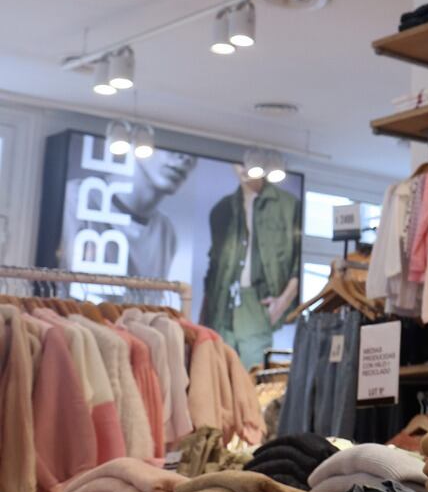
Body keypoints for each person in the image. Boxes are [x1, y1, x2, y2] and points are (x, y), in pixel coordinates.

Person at [199, 167, 301, 368]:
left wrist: (283, 302)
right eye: (239, 162)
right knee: (218, 375)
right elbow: (213, 269)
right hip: (221, 305)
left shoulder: (288, 206)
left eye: (250, 163)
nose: (243, 168)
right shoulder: (221, 209)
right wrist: (202, 321)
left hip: (256, 302)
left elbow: (297, 262)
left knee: (252, 376)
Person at [58, 150, 197, 281]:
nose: (186, 157)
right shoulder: (74, 199)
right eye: (171, 139)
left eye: (194, 152)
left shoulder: (166, 232)